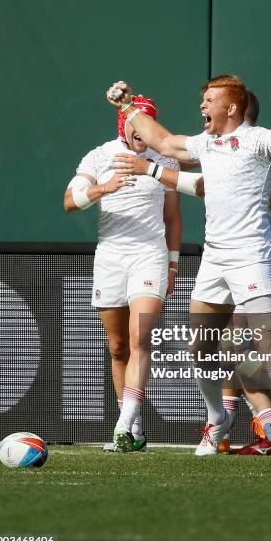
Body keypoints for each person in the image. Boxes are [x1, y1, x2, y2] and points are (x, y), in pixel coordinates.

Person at [106, 75, 271, 462]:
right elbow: (164, 142)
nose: (202, 106)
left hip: (254, 254)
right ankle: (217, 417)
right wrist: (128, 106)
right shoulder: (206, 144)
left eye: (209, 100)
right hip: (215, 258)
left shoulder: (258, 139)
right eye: (202, 99)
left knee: (266, 343)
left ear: (231, 108)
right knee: (200, 348)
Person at [64, 94, 182, 453]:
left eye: (148, 121)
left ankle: (123, 425)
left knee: (139, 339)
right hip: (110, 258)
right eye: (136, 122)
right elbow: (70, 202)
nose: (142, 130)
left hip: (150, 256)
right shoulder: (99, 155)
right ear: (124, 125)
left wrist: (173, 263)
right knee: (117, 348)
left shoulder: (166, 157)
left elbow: (173, 217)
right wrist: (103, 188)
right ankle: (136, 430)